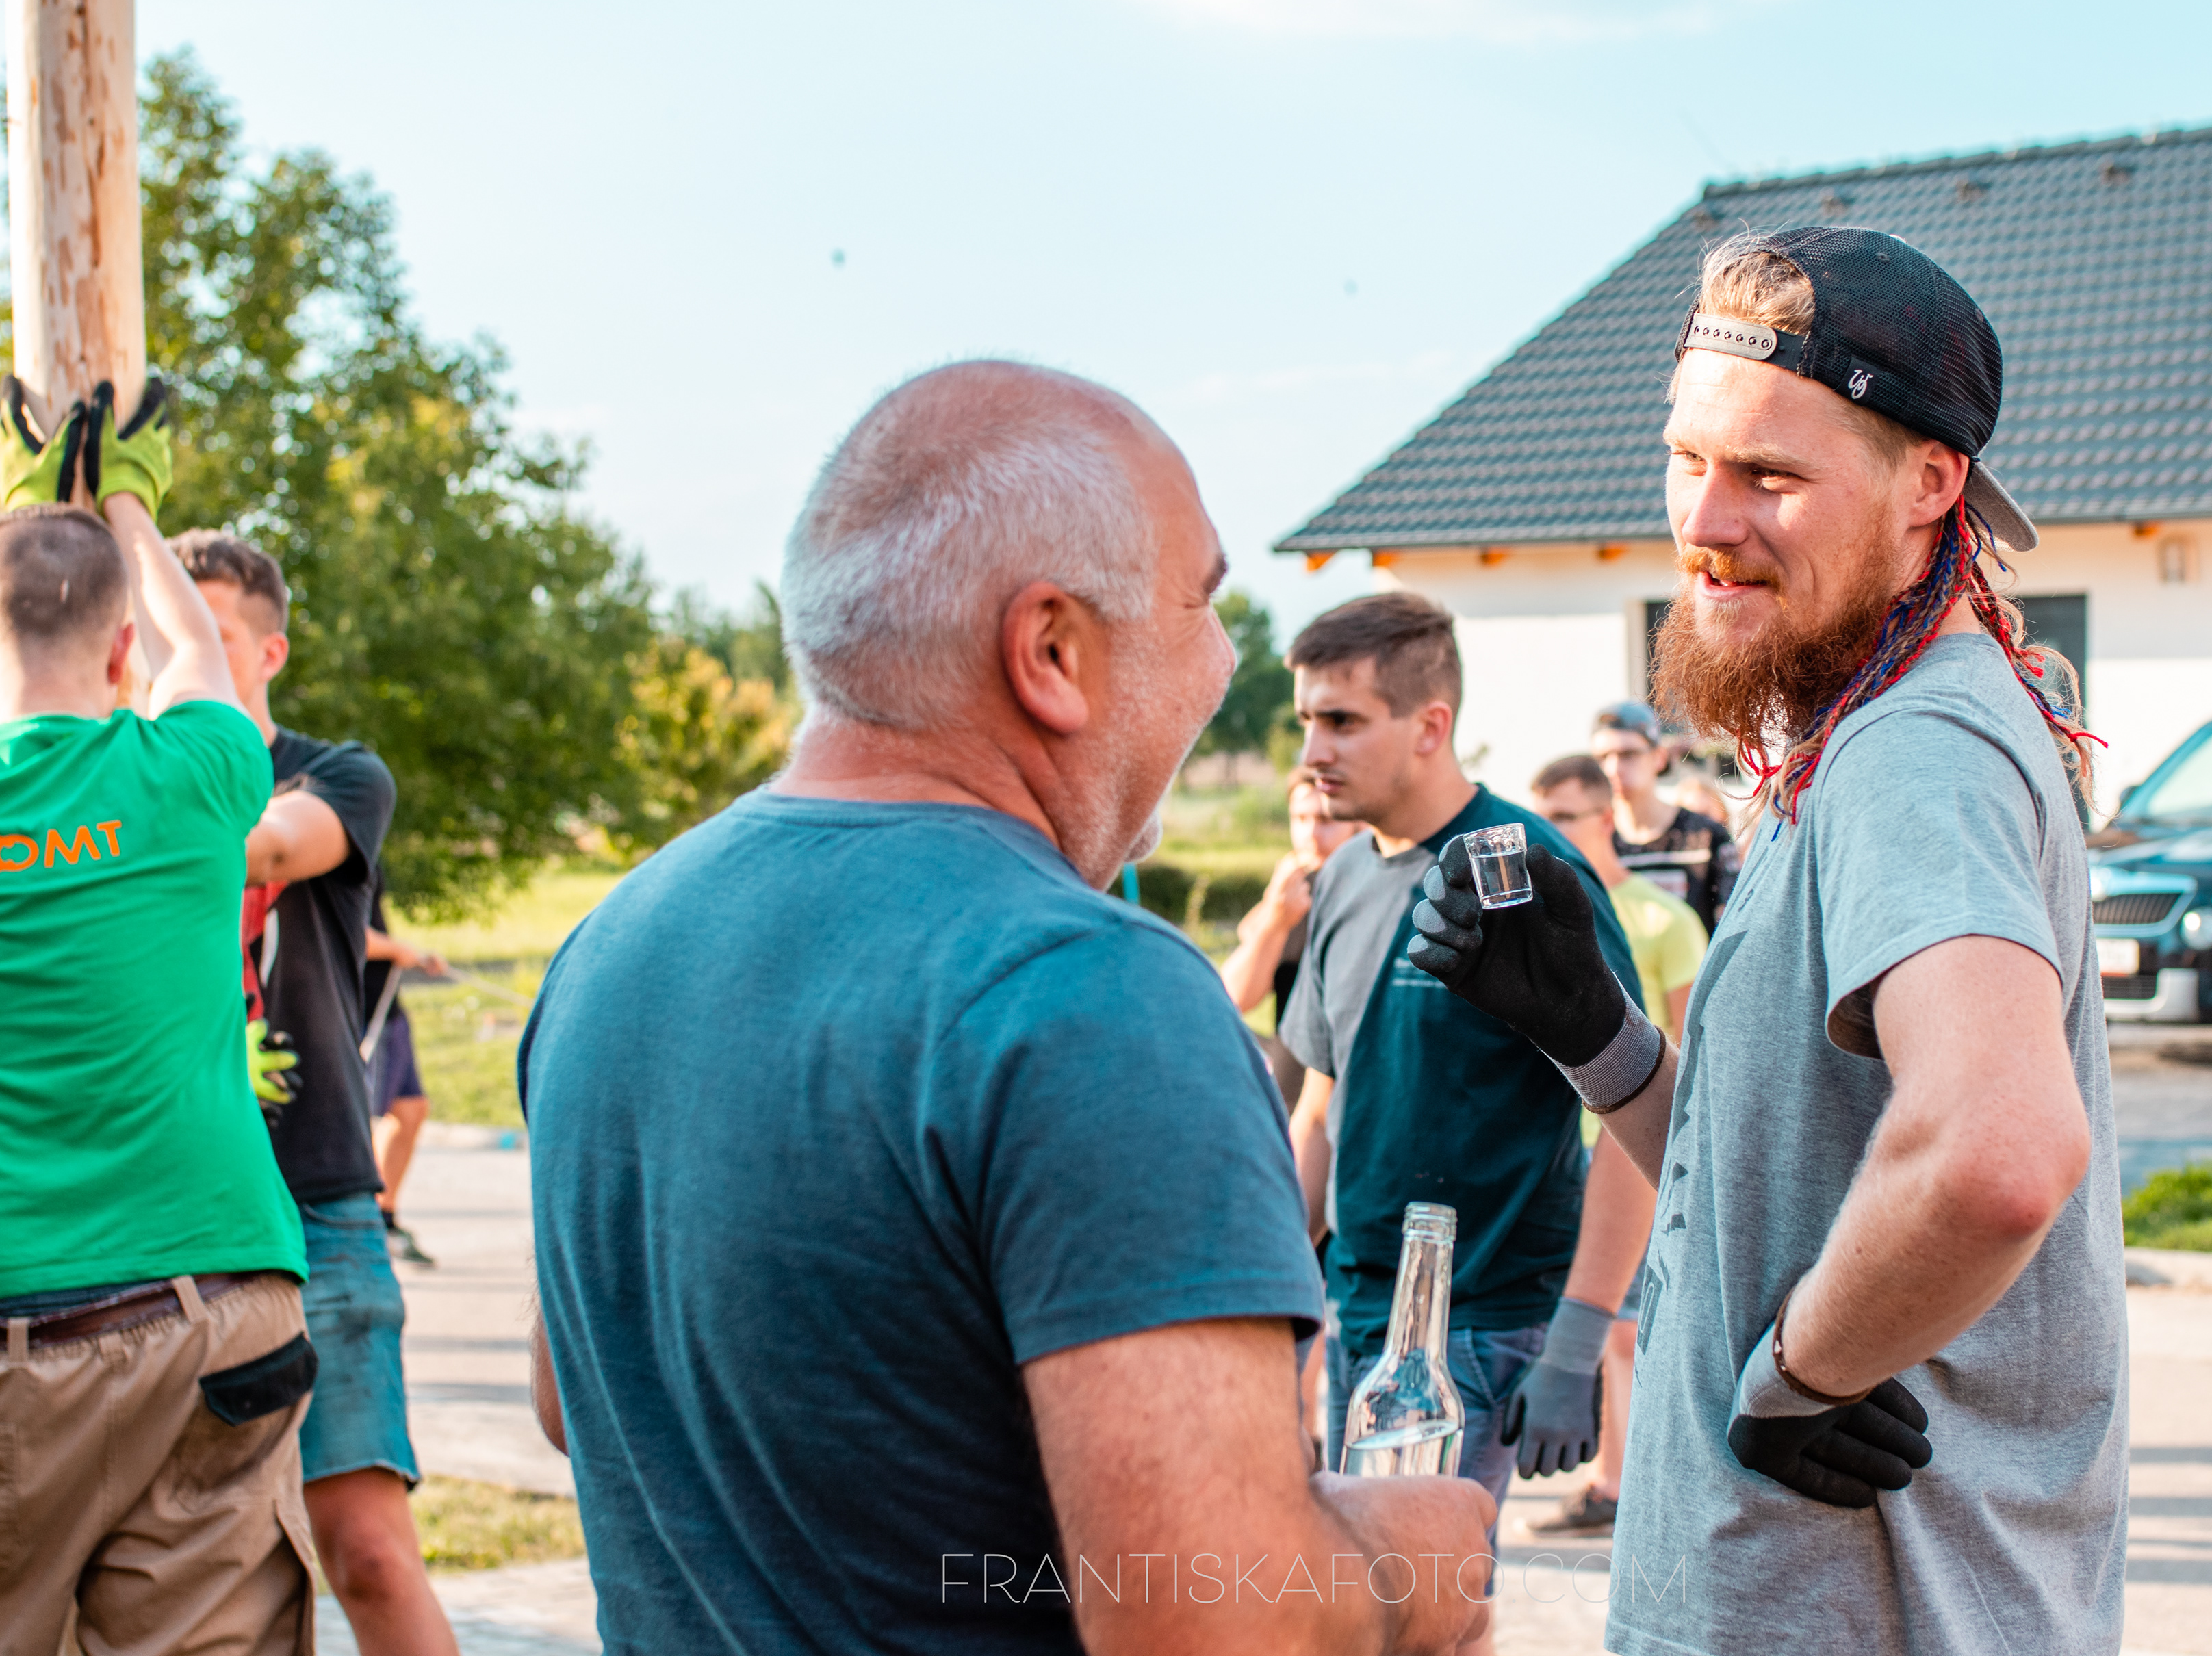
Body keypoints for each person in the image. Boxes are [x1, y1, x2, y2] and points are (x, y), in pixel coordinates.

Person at [522, 362, 1494, 1655]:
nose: (1226, 661)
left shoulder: (612, 946)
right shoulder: (1093, 993)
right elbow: (1211, 1620)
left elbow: (575, 1403)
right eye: (1203, 603)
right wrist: (1417, 1557)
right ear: (1051, 653)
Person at [1407, 227, 2121, 1653]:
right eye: (1688, 459)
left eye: (1771, 477)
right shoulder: (1861, 732)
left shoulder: (1917, 748)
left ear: (1931, 486)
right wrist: (1595, 1035)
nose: (1706, 520)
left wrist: (1802, 1374)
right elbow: (1773, 1194)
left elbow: (1998, 1149)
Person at [0, 411, 318, 1652]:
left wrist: (24, 519)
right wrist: (125, 507)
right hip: (210, 1317)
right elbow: (204, 661)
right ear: (121, 644)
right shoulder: (194, 777)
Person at [1281, 593, 1656, 1635]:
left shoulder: (1519, 873)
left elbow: (1631, 1114)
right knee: (1376, 1612)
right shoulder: (1342, 877)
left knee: (1417, 1612)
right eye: (1307, 720)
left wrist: (1578, 1340)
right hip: (1358, 1314)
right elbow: (1321, 1107)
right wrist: (1273, 1295)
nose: (1313, 751)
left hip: (1484, 1322)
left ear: (1430, 724)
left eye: (1342, 720)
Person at [172, 530, 456, 1656]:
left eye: (208, 635)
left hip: (317, 1207)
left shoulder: (337, 776)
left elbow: (272, 850)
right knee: (190, 1575)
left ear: (268, 652)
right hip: (163, 1222)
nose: (182, 655)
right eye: (162, 632)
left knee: (369, 1555)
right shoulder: (115, 785)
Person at [1520, 754, 1708, 1538]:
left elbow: (1695, 1044)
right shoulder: (1529, 912)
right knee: (1594, 1328)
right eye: (1541, 814)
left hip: (1635, 1146)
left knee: (1628, 1329)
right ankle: (1612, 1478)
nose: (1547, 831)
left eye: (1565, 815)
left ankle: (1624, 1486)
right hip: (1562, 1153)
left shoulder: (1663, 919)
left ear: (1605, 818)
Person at [1221, 767, 1362, 1110]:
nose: (1310, 834)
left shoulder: (1373, 894)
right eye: (1299, 819)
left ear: (1357, 823)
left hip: (1352, 1095)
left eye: (1325, 819)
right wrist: (1276, 916)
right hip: (1292, 1098)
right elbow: (1233, 997)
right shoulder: (1292, 897)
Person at [1591, 702, 1736, 935]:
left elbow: (1733, 925)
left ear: (1659, 757)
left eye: (1628, 754)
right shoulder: (1593, 842)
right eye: (1602, 757)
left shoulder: (1706, 836)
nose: (1613, 768)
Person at [363, 885, 450, 1268]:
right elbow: (349, 932)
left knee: (411, 1109)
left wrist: (414, 956)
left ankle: (384, 1218)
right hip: (362, 1013)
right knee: (364, 1120)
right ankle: (360, 1225)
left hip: (388, 1008)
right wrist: (399, 951)